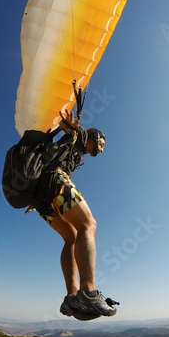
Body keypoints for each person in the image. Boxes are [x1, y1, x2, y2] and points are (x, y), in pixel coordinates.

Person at [25, 110, 117, 320]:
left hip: (41, 197)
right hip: (54, 181)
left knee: (72, 237)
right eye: (101, 143)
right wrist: (73, 127)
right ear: (94, 135)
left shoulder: (76, 147)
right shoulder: (82, 135)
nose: (101, 150)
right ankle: (88, 291)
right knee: (89, 225)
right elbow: (73, 129)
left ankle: (72, 298)